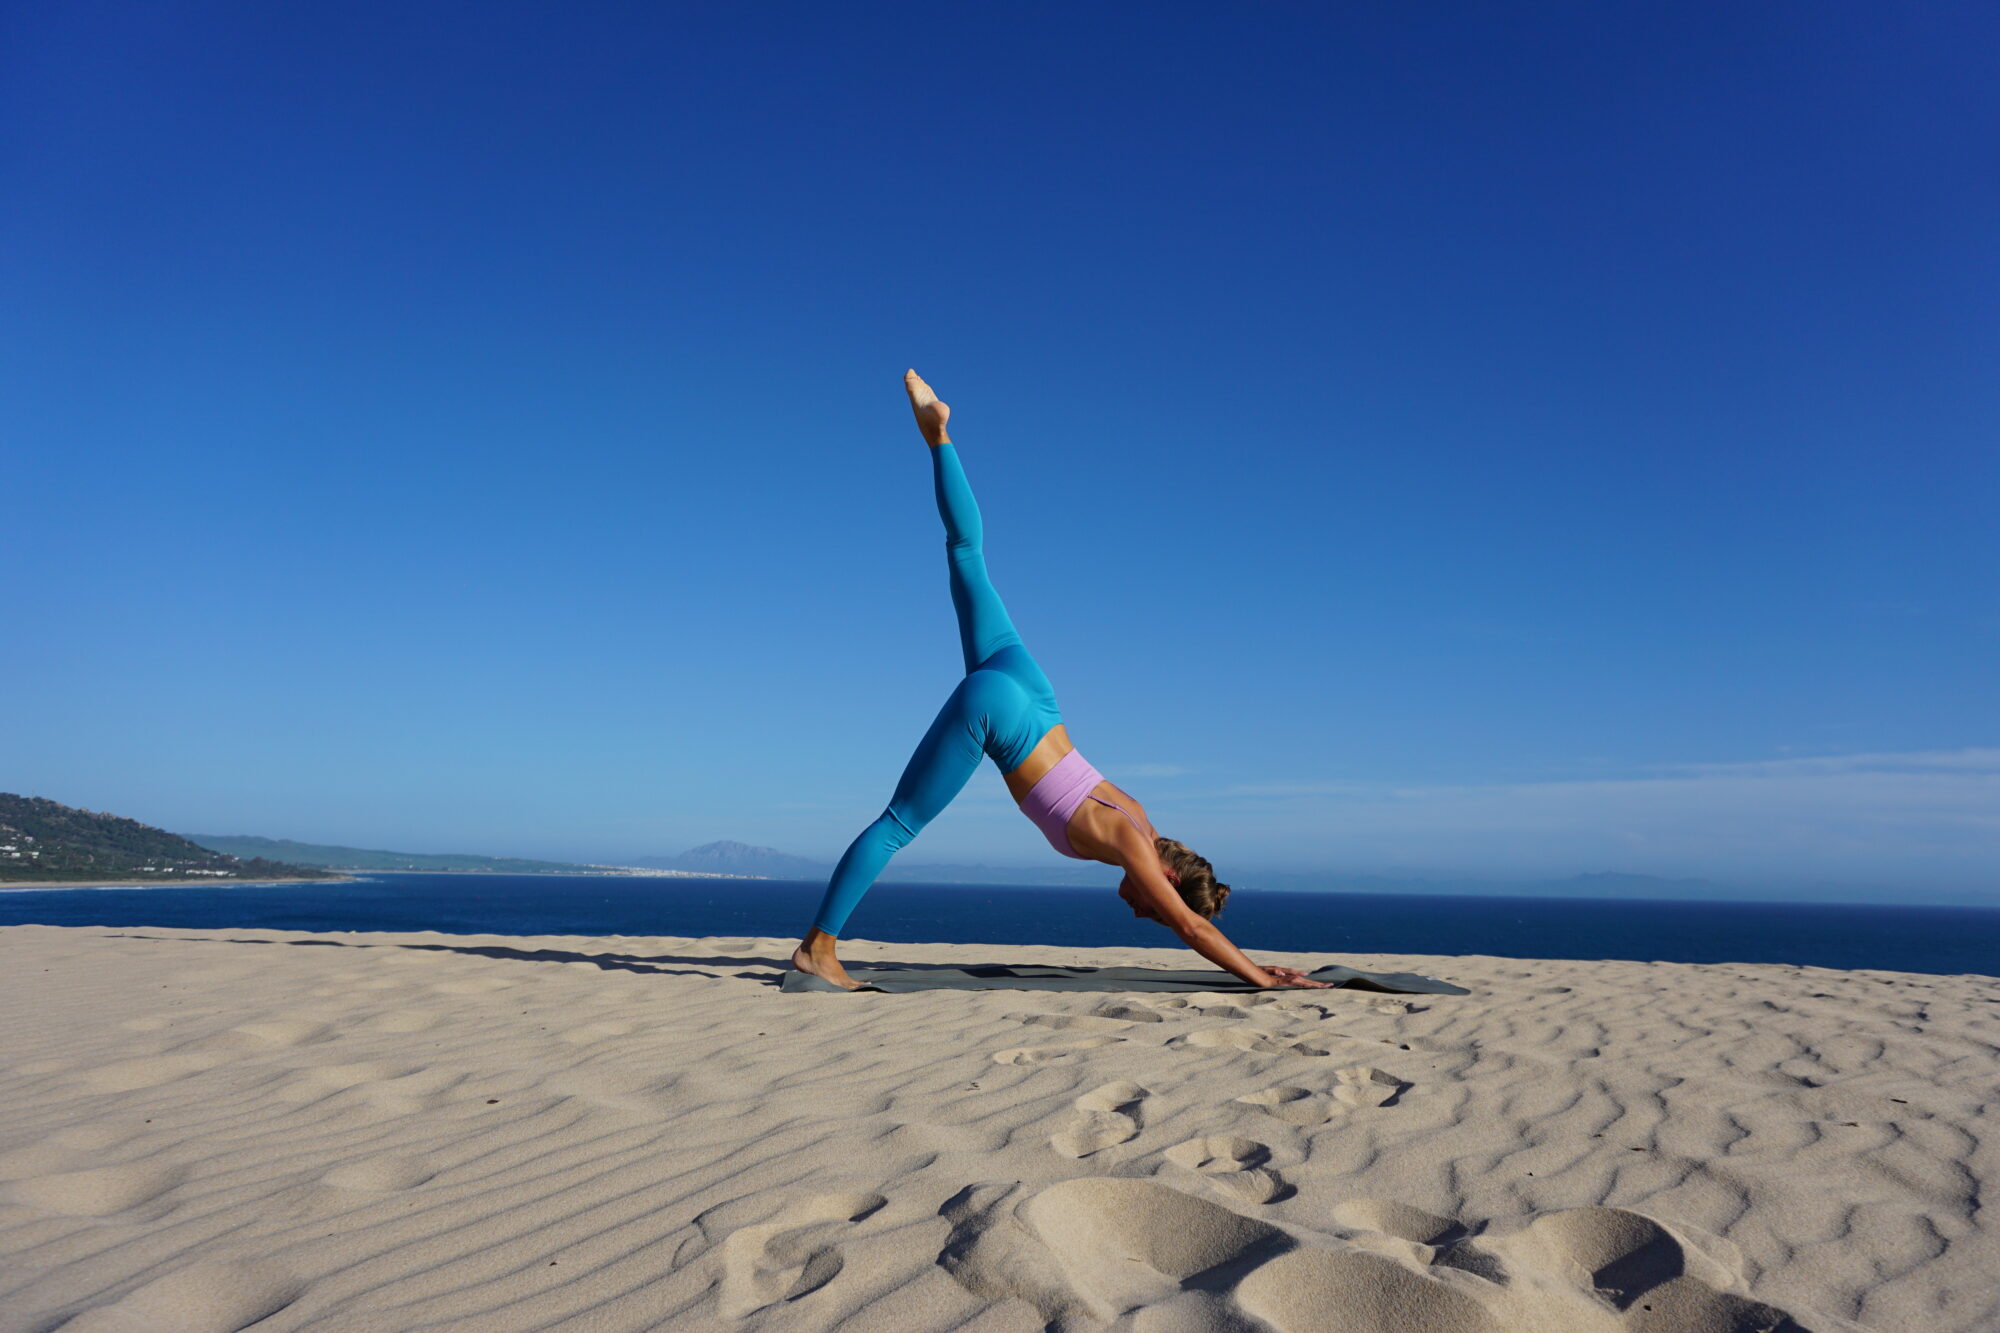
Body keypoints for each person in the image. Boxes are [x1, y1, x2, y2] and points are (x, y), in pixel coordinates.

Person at [790, 372, 1332, 991]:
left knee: (966, 551)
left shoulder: (1142, 820)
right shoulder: (1134, 843)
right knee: (898, 824)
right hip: (1001, 712)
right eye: (1153, 907)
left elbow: (1186, 913)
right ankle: (817, 949)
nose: (1142, 913)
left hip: (1030, 686)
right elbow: (1191, 927)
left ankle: (938, 436)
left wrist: (1248, 956)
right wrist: (1260, 977)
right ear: (1168, 880)